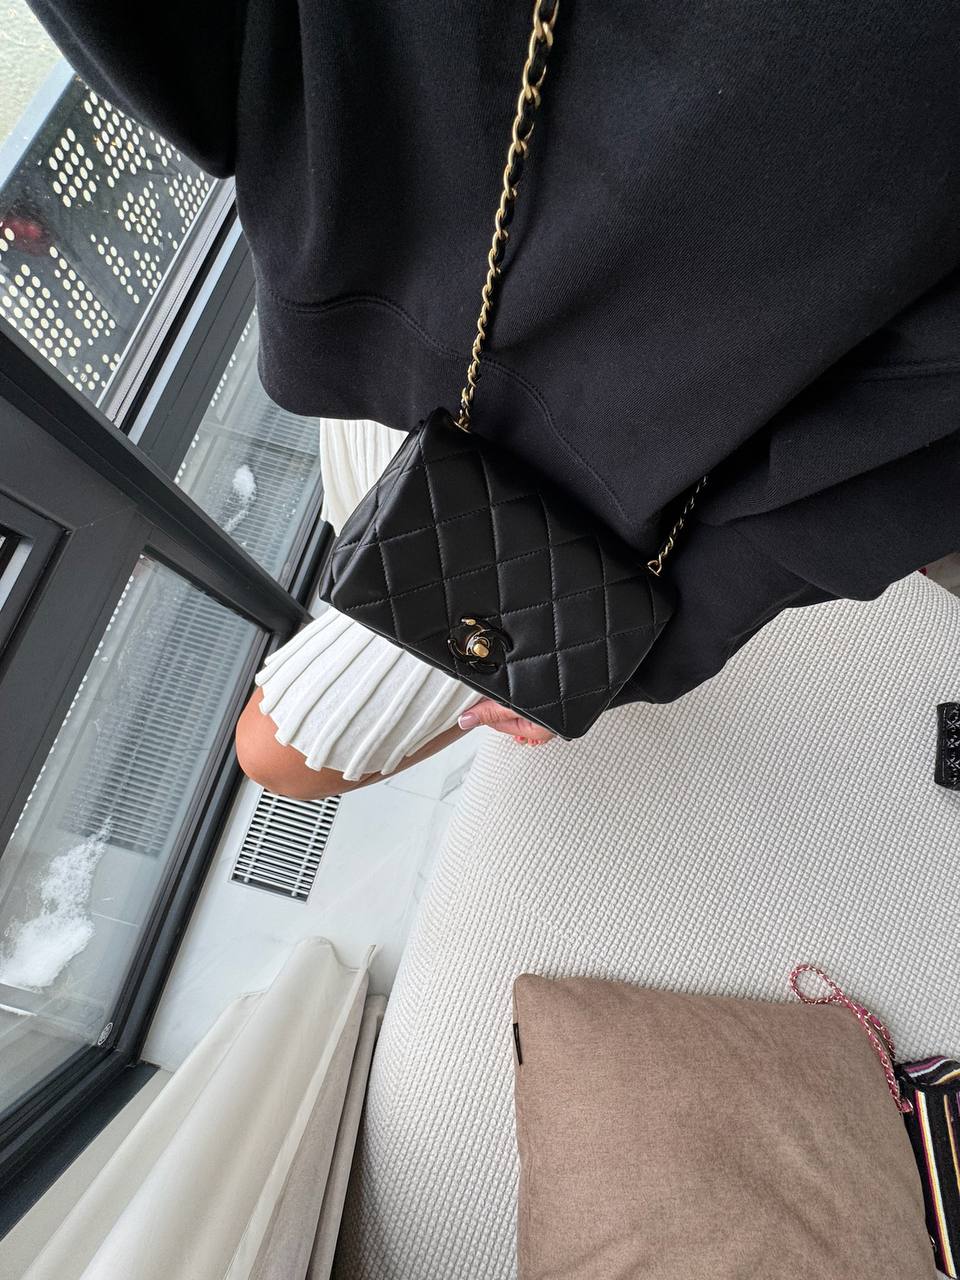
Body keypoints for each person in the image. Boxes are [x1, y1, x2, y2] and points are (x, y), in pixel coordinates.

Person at [27, 2, 960, 793]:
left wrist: (665, 633)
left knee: (277, 755)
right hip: (392, 312)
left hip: (643, 482)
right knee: (362, 535)